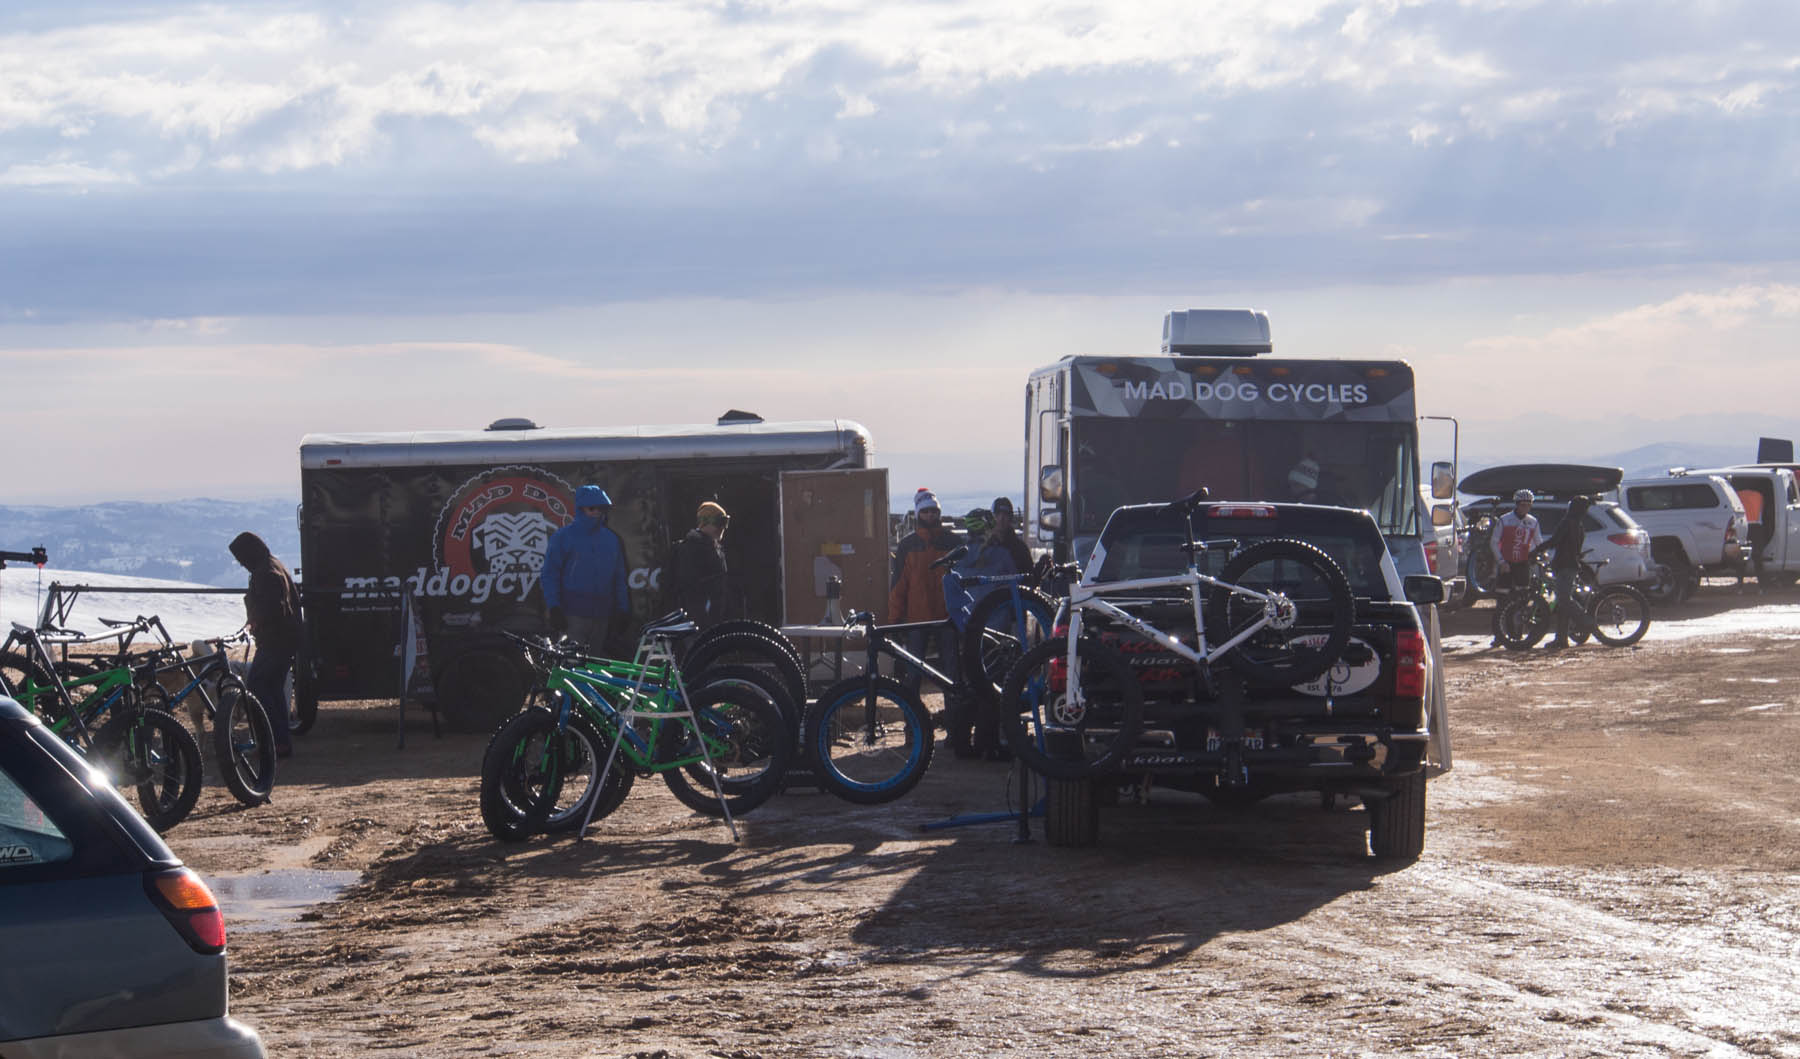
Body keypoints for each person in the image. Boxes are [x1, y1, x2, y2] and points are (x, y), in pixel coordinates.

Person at [888, 488, 961, 731]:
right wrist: (894, 622)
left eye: (934, 511)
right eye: (926, 511)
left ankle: (955, 730)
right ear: (918, 513)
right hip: (916, 621)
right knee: (913, 677)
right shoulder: (907, 546)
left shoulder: (952, 542)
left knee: (952, 677)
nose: (930, 515)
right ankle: (913, 729)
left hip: (947, 618)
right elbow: (898, 586)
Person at [229, 531, 301, 758]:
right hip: (282, 640)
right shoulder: (271, 566)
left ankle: (271, 741)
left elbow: (272, 607)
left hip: (275, 641)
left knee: (258, 686)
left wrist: (254, 622)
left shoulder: (266, 573)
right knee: (272, 689)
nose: (241, 564)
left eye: (241, 558)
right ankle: (280, 741)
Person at [541, 485, 630, 650]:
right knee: (571, 662)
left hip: (603, 617)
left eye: (600, 508)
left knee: (595, 663)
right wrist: (554, 607)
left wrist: (623, 609)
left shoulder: (612, 540)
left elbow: (619, 578)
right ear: (581, 508)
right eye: (591, 508)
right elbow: (550, 574)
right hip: (571, 616)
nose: (597, 512)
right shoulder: (563, 537)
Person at [1530, 494, 1592, 650]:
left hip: (1565, 566)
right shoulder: (1579, 525)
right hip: (1570, 565)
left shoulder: (1568, 522)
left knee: (1564, 599)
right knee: (1562, 604)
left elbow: (1555, 540)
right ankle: (1561, 639)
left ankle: (1586, 621)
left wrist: (1537, 550)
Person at [673, 501, 731, 629]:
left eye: (725, 523)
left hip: (712, 621)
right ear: (705, 523)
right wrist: (703, 621)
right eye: (719, 522)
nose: (722, 528)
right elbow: (690, 589)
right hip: (700, 624)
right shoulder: (690, 549)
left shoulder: (715, 548)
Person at [989, 496, 1033, 575]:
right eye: (997, 514)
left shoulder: (1021, 549)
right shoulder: (984, 547)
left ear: (1010, 518)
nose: (1001, 518)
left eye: (1005, 514)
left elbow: (1029, 576)